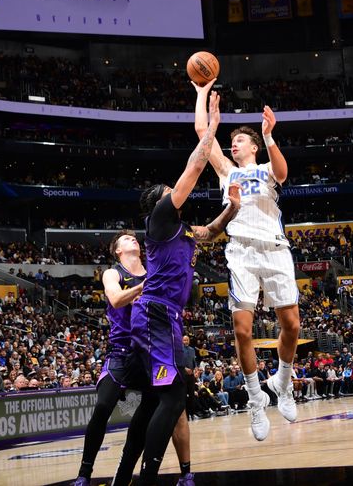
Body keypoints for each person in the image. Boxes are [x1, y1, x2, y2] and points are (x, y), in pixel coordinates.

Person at [111, 91, 240, 486]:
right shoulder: (161, 215)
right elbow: (194, 167)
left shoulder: (181, 229)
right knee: (173, 397)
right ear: (161, 201)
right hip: (154, 315)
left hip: (164, 317)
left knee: (158, 399)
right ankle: (148, 477)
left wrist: (232, 207)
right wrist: (212, 129)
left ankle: (123, 476)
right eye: (171, 190)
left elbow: (211, 231)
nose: (176, 191)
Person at [193, 79, 299, 441]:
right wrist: (203, 97)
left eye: (239, 140)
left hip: (275, 248)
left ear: (253, 146)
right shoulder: (227, 171)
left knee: (293, 326)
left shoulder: (267, 167)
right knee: (242, 329)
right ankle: (256, 398)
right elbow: (200, 132)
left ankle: (282, 383)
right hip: (241, 251)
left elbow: (283, 173)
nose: (232, 144)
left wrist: (270, 136)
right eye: (231, 141)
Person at [74, 231, 194, 486]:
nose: (133, 240)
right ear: (117, 250)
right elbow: (116, 299)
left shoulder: (153, 269)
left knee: (164, 408)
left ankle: (143, 474)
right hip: (121, 350)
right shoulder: (112, 273)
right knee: (103, 406)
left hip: (151, 350)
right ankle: (84, 475)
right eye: (126, 239)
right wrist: (144, 289)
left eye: (134, 238)